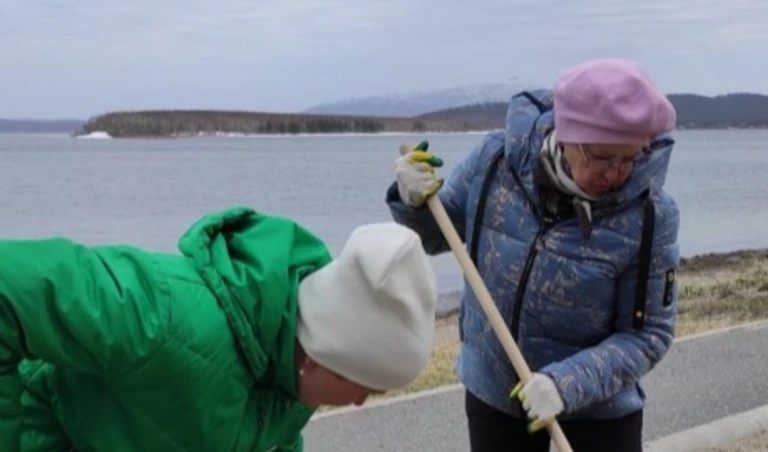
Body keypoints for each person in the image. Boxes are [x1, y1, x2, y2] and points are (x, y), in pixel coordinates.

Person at [386, 58, 680, 452]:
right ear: (567, 135)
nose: (615, 173)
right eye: (602, 156)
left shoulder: (650, 215)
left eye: (629, 158)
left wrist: (565, 385)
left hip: (598, 414)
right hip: (496, 397)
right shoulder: (496, 161)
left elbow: (648, 335)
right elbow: (439, 236)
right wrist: (412, 200)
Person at [0, 206, 438, 451]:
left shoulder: (294, 375)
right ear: (325, 359)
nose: (360, 403)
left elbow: (268, 436)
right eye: (367, 388)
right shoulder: (162, 317)